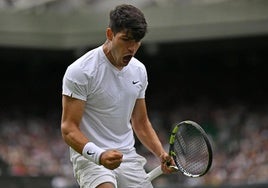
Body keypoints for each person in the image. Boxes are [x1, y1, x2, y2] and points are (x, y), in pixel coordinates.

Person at [61, 4, 174, 188]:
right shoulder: (80, 71)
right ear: (109, 34)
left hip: (127, 157)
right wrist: (99, 155)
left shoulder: (139, 71)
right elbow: (68, 128)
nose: (132, 47)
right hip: (91, 158)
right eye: (126, 39)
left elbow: (141, 122)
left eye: (137, 41)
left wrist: (160, 153)